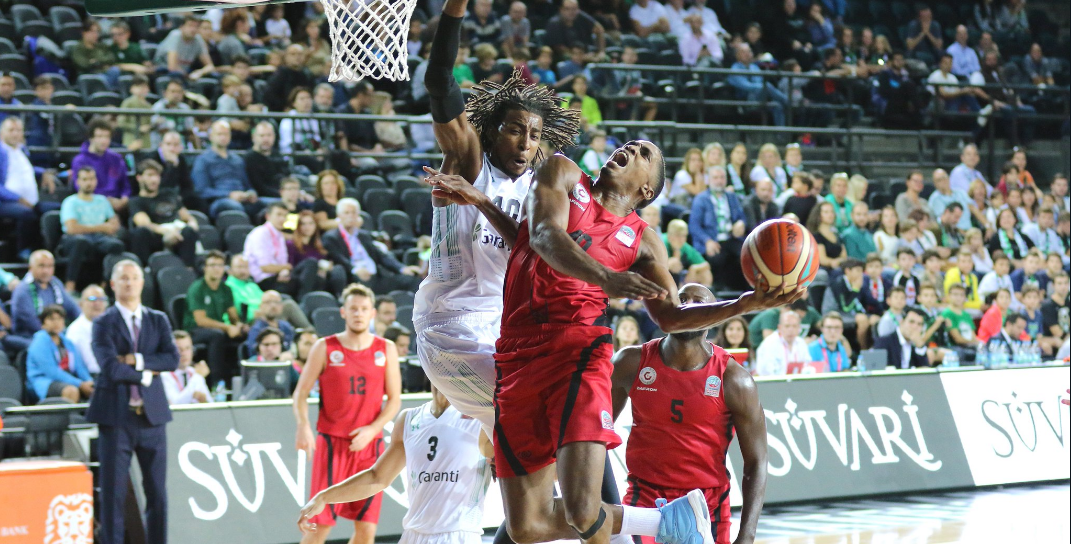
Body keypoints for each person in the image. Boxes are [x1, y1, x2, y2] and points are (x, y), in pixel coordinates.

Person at [480, 134, 805, 544]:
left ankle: (659, 523)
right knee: (527, 526)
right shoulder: (561, 172)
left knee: (582, 509)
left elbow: (671, 317)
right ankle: (661, 520)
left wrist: (743, 304)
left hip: (576, 351)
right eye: (631, 144)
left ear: (646, 189)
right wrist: (607, 278)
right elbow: (543, 236)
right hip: (515, 356)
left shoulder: (643, 240)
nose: (632, 149)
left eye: (645, 153)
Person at [610, 283, 767, 544]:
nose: (689, 306)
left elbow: (757, 462)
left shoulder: (735, 379)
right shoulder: (630, 362)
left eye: (700, 302)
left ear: (714, 316)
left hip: (707, 505)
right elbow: (596, 434)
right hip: (645, 497)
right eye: (681, 299)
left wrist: (747, 535)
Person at [299, 385, 491, 544]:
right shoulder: (410, 418)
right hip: (412, 535)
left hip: (458, 535)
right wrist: (324, 497)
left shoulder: (482, 417)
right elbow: (377, 478)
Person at [293, 284, 402, 544]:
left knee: (366, 529)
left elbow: (395, 400)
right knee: (319, 527)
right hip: (332, 444)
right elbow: (300, 393)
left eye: (364, 309)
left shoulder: (385, 348)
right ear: (343, 312)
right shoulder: (325, 347)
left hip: (369, 447)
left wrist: (373, 429)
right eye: (353, 308)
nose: (358, 314)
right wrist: (303, 426)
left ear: (373, 313)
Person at [85, 260, 179, 544]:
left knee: (158, 494)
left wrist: (136, 361)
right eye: (123, 278)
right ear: (113, 284)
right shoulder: (103, 322)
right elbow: (111, 369)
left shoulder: (158, 319)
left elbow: (172, 359)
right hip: (116, 418)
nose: (129, 283)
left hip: (152, 417)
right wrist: (147, 375)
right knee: (113, 495)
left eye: (134, 278)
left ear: (142, 283)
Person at [323, 198, 423, 294]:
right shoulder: (331, 237)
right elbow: (339, 259)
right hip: (354, 279)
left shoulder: (363, 235)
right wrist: (355, 269)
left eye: (353, 212)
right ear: (339, 216)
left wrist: (402, 268)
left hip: (376, 277)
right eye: (346, 213)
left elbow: (381, 256)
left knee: (413, 280)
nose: (351, 216)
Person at [1, 118, 60, 262]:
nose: (15, 134)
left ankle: (53, 250)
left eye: (18, 130)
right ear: (2, 133)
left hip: (30, 200)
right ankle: (23, 251)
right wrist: (17, 198)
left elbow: (25, 170)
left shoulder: (21, 149)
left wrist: (43, 172)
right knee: (26, 213)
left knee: (58, 208)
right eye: (11, 130)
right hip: (6, 201)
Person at [184, 250, 248, 381]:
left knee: (245, 332)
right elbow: (200, 320)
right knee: (217, 335)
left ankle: (243, 377)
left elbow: (233, 316)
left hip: (217, 329)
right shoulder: (197, 288)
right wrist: (227, 327)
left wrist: (238, 325)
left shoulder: (226, 289)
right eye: (213, 265)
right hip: (194, 331)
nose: (217, 269)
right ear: (205, 268)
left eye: (220, 265)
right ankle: (217, 381)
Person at [59, 166, 126, 292]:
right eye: (85, 179)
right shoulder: (70, 202)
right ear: (77, 181)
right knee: (81, 242)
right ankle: (70, 287)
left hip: (99, 238)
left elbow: (114, 223)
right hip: (74, 239)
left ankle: (104, 287)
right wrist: (101, 227)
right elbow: (72, 228)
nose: (89, 183)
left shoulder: (102, 200)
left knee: (116, 245)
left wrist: (109, 227)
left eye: (91, 179)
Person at [129, 159, 200, 267]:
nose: (154, 180)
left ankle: (188, 270)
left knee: (189, 232)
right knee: (141, 233)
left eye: (157, 176)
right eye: (150, 175)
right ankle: (145, 269)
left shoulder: (169, 194)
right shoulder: (136, 201)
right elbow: (143, 223)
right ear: (139, 178)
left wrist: (192, 224)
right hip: (157, 235)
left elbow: (187, 217)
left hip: (178, 232)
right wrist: (166, 232)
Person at [689, 165, 747, 290]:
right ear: (708, 180)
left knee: (746, 254)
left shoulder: (731, 197)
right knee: (716, 257)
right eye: (715, 178)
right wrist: (707, 241)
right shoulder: (701, 199)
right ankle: (718, 291)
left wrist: (741, 223)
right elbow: (694, 226)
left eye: (722, 177)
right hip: (711, 239)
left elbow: (742, 217)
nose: (719, 181)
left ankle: (741, 290)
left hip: (731, 237)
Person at [191, 121, 263, 219]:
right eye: (219, 134)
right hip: (219, 201)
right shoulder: (203, 160)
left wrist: (251, 193)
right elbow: (202, 190)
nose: (223, 137)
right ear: (211, 136)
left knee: (269, 205)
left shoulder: (237, 160)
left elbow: (247, 184)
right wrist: (229, 195)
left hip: (243, 199)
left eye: (226, 134)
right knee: (233, 206)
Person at [27, 304, 93, 402]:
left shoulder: (68, 343)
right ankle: (70, 417)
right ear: (43, 323)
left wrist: (89, 381)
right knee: (71, 391)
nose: (56, 322)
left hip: (70, 380)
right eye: (51, 319)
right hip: (46, 382)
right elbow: (52, 372)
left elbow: (79, 367)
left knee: (99, 388)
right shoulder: (39, 343)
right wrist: (79, 384)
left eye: (59, 319)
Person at [10, 251, 80, 342]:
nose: (46, 270)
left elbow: (73, 308)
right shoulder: (22, 290)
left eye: (50, 266)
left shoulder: (55, 283)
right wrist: (58, 333)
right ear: (30, 268)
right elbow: (32, 323)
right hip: (31, 338)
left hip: (56, 333)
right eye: (41, 266)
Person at [70, 120, 131, 213]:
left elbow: (125, 185)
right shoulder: (80, 161)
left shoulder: (116, 159)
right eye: (99, 136)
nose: (104, 140)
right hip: (91, 207)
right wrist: (105, 201)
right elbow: (81, 187)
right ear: (91, 138)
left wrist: (124, 199)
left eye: (107, 137)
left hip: (118, 205)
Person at [288, 210, 347, 297]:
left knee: (338, 269)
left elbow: (327, 262)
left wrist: (324, 268)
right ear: (298, 226)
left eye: (311, 223)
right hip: (300, 276)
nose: (307, 227)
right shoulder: (291, 244)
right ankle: (303, 297)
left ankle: (340, 298)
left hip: (319, 276)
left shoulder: (319, 247)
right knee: (311, 263)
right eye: (303, 224)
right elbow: (291, 266)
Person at [728, 45, 788, 127]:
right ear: (737, 55)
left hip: (760, 98)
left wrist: (760, 87)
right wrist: (760, 87)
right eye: (743, 52)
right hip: (745, 102)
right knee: (765, 86)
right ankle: (788, 101)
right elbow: (746, 86)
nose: (747, 54)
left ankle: (782, 136)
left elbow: (759, 81)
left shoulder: (754, 67)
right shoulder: (734, 69)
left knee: (777, 105)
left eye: (749, 51)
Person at [244, 202, 297, 294]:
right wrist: (287, 267)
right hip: (260, 281)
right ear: (268, 216)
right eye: (279, 215)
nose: (282, 219)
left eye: (285, 216)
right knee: (297, 283)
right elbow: (265, 267)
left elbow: (281, 261)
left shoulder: (279, 235)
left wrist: (284, 271)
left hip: (275, 277)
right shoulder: (260, 233)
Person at [753, 308, 811, 376]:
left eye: (794, 326)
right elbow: (766, 372)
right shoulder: (769, 344)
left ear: (799, 328)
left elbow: (807, 365)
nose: (791, 330)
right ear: (779, 327)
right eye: (787, 326)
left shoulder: (801, 343)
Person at [66, 285, 108, 376]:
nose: (97, 303)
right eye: (92, 299)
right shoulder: (75, 329)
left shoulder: (112, 324)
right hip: (90, 376)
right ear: (81, 304)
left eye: (101, 299)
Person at [244, 121, 292, 199]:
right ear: (253, 137)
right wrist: (283, 196)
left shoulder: (278, 155)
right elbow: (259, 187)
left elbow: (287, 178)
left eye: (269, 135)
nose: (266, 139)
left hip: (283, 196)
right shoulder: (249, 158)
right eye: (262, 136)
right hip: (264, 198)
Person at [162, 330, 211, 405]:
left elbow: (212, 404)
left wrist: (205, 401)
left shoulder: (194, 372)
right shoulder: (164, 375)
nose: (184, 353)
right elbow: (175, 404)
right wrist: (198, 377)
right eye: (179, 349)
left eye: (187, 348)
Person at [664, 219, 713, 287]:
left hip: (681, 277)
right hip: (663, 276)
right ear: (669, 235)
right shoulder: (661, 242)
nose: (681, 239)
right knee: (673, 263)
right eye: (678, 235)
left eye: (683, 236)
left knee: (705, 274)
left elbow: (706, 264)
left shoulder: (685, 247)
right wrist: (676, 250)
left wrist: (693, 268)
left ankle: (702, 295)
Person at [244, 290, 295, 355]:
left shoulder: (286, 326)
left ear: (281, 306)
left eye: (276, 302)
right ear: (261, 306)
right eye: (268, 302)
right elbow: (253, 353)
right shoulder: (256, 329)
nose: (273, 306)